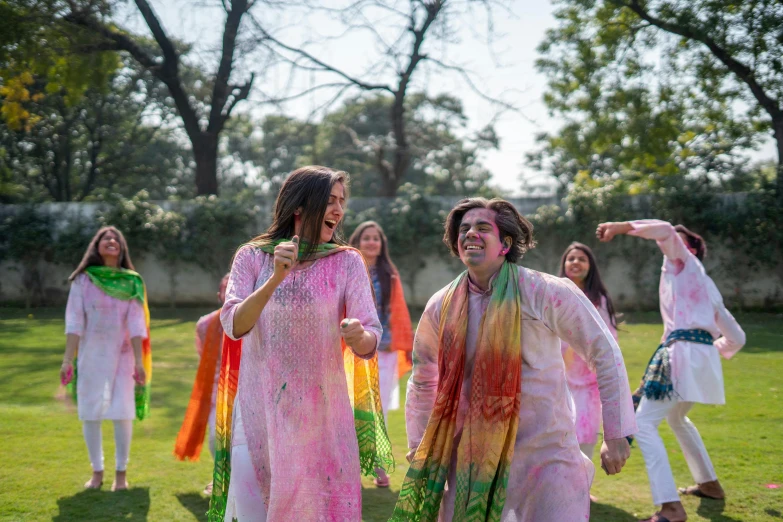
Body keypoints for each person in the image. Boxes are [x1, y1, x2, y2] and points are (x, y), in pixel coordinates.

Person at [392, 198, 636, 522]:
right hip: (470, 459)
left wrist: (616, 432)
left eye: (482, 228)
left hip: (547, 454)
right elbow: (424, 378)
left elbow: (604, 352)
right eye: (464, 229)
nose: (470, 234)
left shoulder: (544, 291)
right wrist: (418, 443)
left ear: (505, 243)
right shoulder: (441, 305)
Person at [207, 166, 393, 522]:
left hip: (321, 416)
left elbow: (370, 335)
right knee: (254, 510)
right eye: (330, 200)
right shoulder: (253, 256)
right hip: (259, 410)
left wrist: (359, 336)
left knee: (318, 510)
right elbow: (233, 325)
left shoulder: (346, 261)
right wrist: (275, 278)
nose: (339, 210)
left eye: (342, 201)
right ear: (299, 206)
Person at [597, 220, 746, 522]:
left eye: (675, 241)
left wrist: (618, 226)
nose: (664, 244)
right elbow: (737, 339)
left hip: (682, 356)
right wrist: (705, 355)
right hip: (694, 359)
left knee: (643, 423)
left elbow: (664, 228)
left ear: (688, 248)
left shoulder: (685, 264)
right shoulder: (705, 285)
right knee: (677, 417)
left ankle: (671, 507)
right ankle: (710, 485)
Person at [60, 226, 151, 492]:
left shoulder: (131, 281)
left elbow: (136, 324)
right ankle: (97, 471)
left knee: (123, 413)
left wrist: (138, 361)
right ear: (96, 247)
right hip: (90, 356)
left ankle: (121, 474)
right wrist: (67, 359)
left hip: (123, 358)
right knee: (91, 413)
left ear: (122, 248)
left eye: (116, 239)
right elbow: (74, 320)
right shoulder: (83, 281)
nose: (111, 241)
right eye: (105, 238)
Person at [349, 221, 413, 488]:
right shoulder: (347, 268)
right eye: (367, 238)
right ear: (358, 241)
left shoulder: (390, 275)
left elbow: (396, 313)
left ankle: (379, 468)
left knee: (379, 410)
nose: (371, 242)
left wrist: (396, 342)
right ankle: (348, 469)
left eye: (376, 238)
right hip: (349, 351)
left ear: (381, 244)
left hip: (382, 351)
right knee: (349, 409)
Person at [558, 242, 620, 487]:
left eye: (582, 259)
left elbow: (609, 339)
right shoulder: (554, 293)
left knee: (586, 433)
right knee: (560, 432)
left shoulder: (599, 300)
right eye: (571, 258)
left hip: (590, 380)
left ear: (590, 266)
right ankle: (557, 487)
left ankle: (581, 488)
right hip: (558, 376)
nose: (575, 262)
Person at [174, 273, 230, 496]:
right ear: (219, 295)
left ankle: (232, 483)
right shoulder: (205, 325)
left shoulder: (255, 319)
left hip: (248, 390)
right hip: (217, 389)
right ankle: (220, 478)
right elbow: (204, 358)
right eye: (227, 287)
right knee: (215, 440)